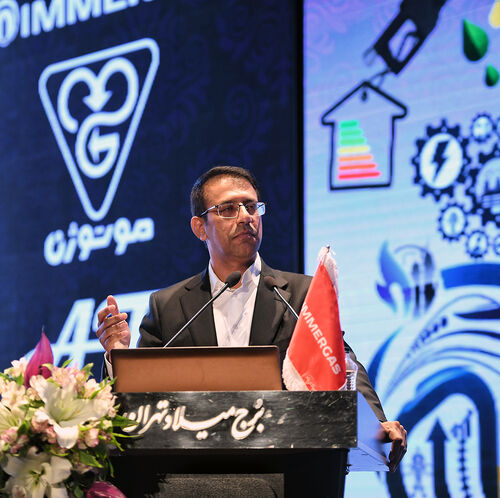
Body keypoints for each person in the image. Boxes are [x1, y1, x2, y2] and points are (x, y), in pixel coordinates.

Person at [96, 166, 407, 471]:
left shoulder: (300, 293)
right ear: (200, 227)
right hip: (193, 472)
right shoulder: (168, 306)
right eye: (228, 209)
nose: (245, 216)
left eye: (251, 206)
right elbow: (141, 397)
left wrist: (377, 422)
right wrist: (117, 355)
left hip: (288, 469)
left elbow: (341, 361)